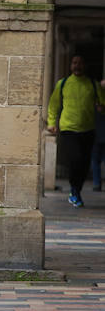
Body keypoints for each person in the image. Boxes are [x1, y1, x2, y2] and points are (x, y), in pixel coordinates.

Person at [46, 55, 105, 207]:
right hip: (68, 129)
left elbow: (102, 103)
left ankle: (76, 190)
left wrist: (101, 107)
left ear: (84, 66)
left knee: (85, 163)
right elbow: (53, 105)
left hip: (88, 129)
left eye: (80, 63)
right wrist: (52, 123)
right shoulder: (63, 84)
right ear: (71, 66)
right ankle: (74, 190)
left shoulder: (92, 84)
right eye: (74, 63)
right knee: (75, 159)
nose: (77, 65)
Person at [93, 84, 105, 192]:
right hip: (96, 136)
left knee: (96, 161)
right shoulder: (93, 105)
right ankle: (96, 183)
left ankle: (97, 183)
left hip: (97, 136)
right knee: (96, 161)